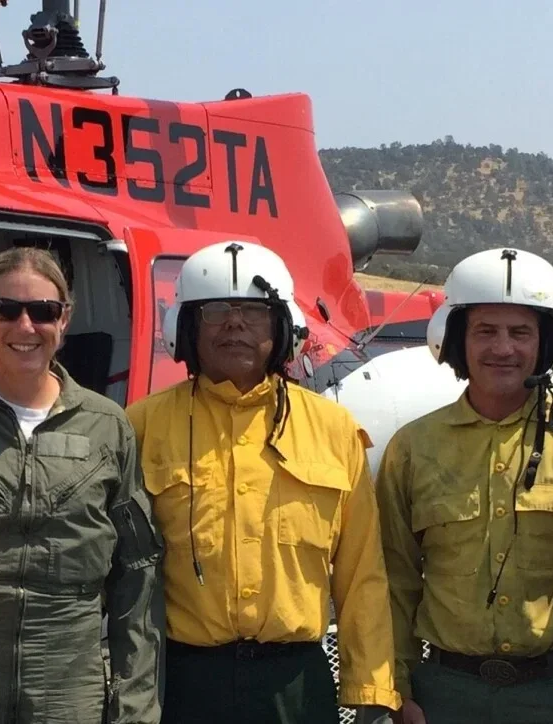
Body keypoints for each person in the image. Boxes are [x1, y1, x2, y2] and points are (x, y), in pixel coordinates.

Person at [126, 240, 399, 724]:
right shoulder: (140, 426)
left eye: (254, 312)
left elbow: (361, 574)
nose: (235, 324)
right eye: (215, 311)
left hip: (295, 686)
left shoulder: (333, 430)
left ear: (283, 328)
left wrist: (371, 689)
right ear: (184, 330)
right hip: (181, 682)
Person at [0, 246, 166, 724]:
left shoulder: (107, 426)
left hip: (67, 693)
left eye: (43, 311)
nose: (25, 326)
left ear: (64, 320)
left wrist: (135, 708)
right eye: (6, 309)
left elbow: (136, 575)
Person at [374, 248, 553, 724]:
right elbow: (394, 579)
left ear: (547, 342)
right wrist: (398, 684)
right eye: (485, 331)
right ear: (456, 341)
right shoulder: (412, 448)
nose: (503, 348)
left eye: (520, 333)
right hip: (446, 696)